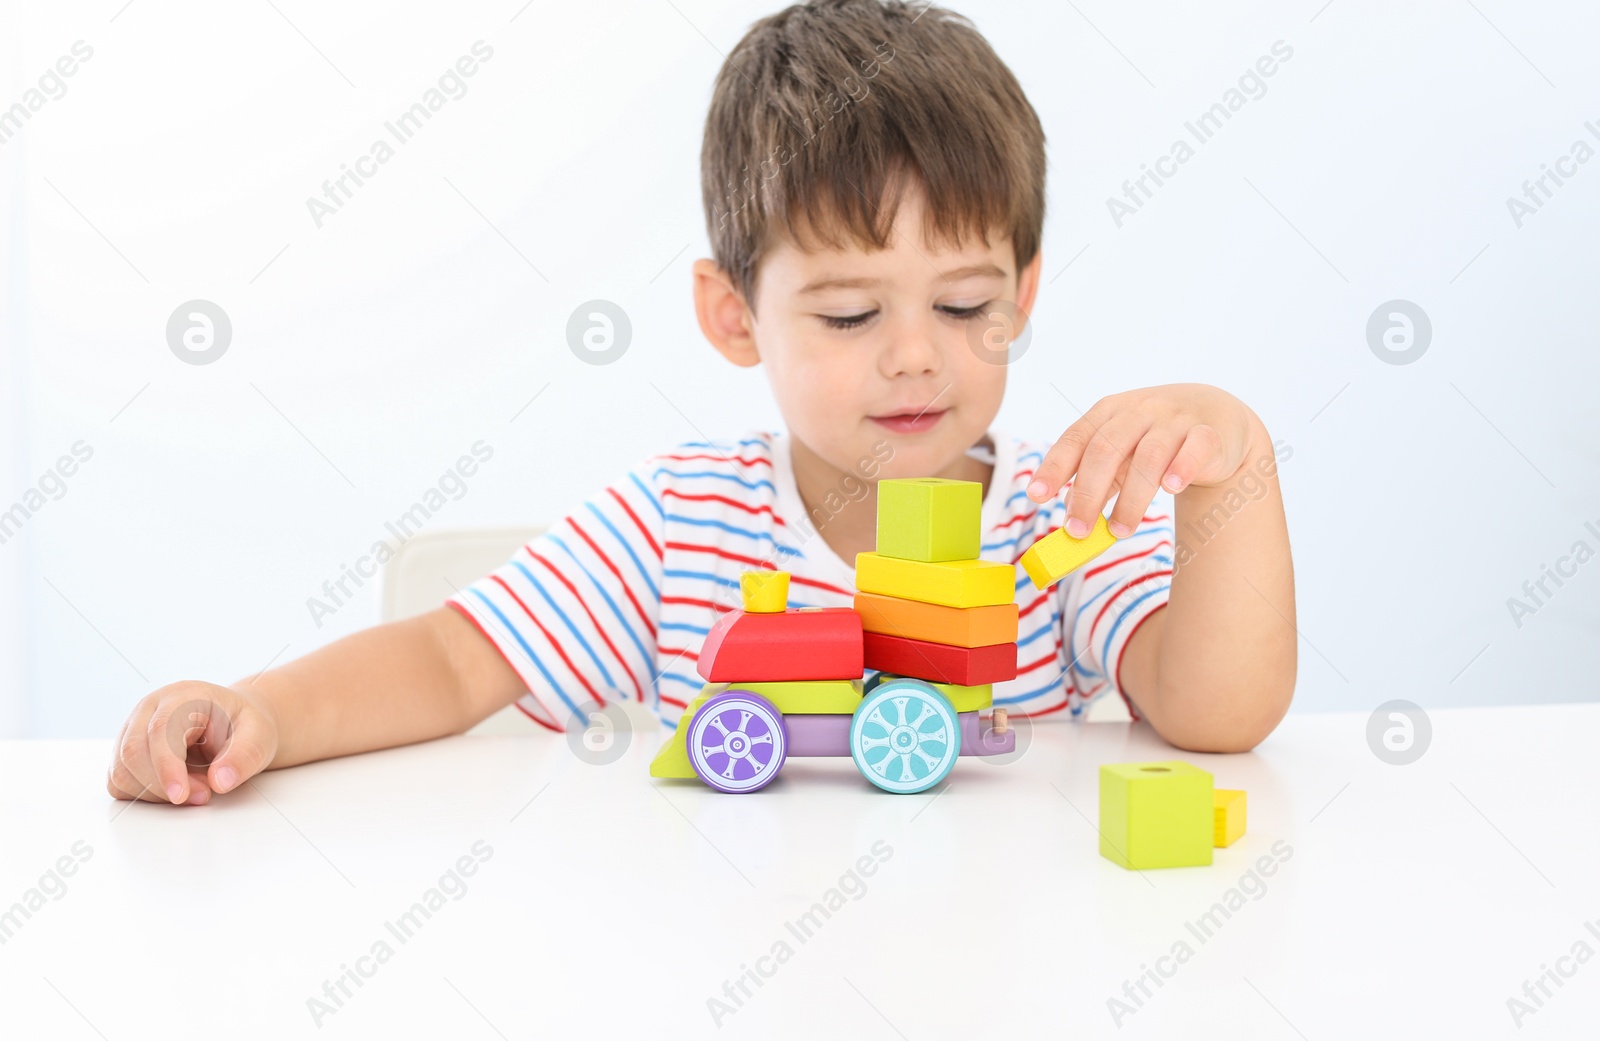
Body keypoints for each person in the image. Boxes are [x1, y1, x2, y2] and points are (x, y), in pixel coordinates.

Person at [107, 0, 1295, 806]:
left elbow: (1218, 711)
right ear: (733, 316)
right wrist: (257, 706)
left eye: (963, 303)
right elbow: (446, 659)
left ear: (1023, 293)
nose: (914, 359)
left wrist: (1234, 466)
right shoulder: (680, 523)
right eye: (846, 315)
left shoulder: (1056, 513)